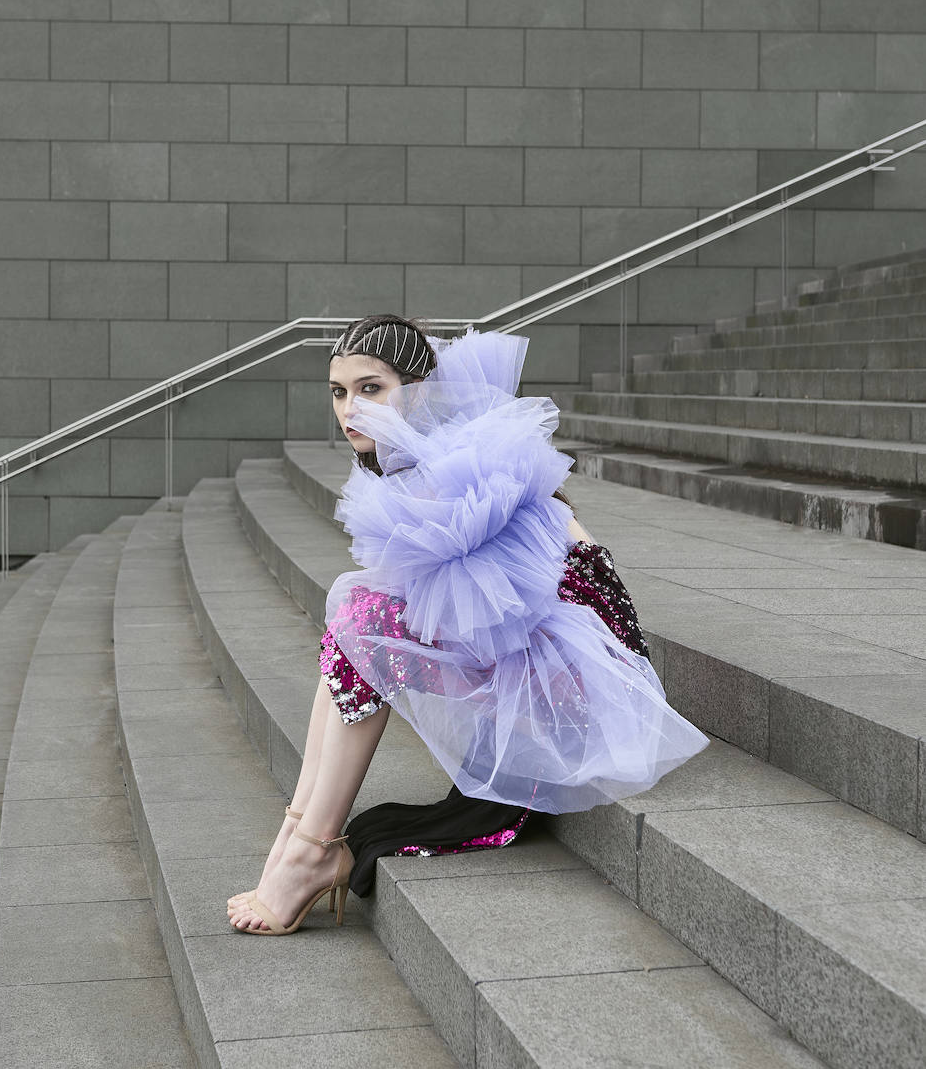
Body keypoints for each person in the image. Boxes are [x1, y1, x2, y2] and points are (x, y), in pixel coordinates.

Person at [227, 316, 708, 935]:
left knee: (366, 617)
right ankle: (299, 835)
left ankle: (311, 848)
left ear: (417, 390)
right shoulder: (417, 456)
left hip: (579, 680)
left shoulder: (459, 463)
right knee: (356, 621)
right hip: (534, 648)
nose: (351, 410)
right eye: (339, 392)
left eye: (371, 388)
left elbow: (510, 604)